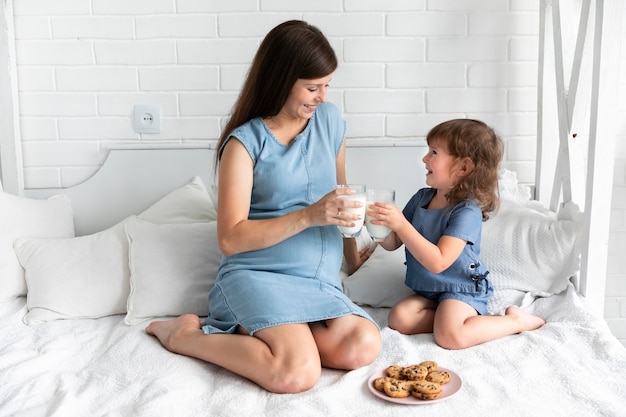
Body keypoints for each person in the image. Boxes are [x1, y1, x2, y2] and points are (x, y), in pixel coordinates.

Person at [146, 20, 381, 393]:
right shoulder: (244, 144)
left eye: (326, 86)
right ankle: (183, 337)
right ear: (281, 78)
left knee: (363, 344)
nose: (322, 97)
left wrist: (353, 256)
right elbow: (230, 239)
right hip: (257, 275)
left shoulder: (330, 122)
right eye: (312, 87)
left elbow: (340, 197)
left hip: (315, 280)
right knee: (298, 372)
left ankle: (288, 333)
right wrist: (308, 215)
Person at [366, 119, 545, 350]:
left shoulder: (466, 211)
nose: (424, 159)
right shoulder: (421, 198)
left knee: (450, 337)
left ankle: (513, 321)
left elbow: (439, 261)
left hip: (459, 288)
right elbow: (393, 243)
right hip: (430, 289)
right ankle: (450, 319)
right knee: (399, 318)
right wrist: (375, 226)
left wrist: (401, 224)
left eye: (434, 152)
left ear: (463, 167)